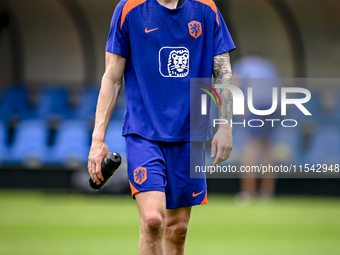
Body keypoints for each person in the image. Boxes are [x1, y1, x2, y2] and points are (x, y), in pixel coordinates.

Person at [88, 0, 235, 254]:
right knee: (154, 220)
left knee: (178, 229)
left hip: (191, 134)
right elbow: (112, 78)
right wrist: (97, 139)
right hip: (144, 132)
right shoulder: (129, 9)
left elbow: (222, 72)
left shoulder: (206, 8)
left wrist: (225, 125)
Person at [233, 54, 280, 204]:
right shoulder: (269, 66)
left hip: (255, 106)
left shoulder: (243, 64)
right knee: (267, 148)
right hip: (273, 106)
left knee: (251, 148)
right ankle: (267, 193)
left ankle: (248, 192)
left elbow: (235, 83)